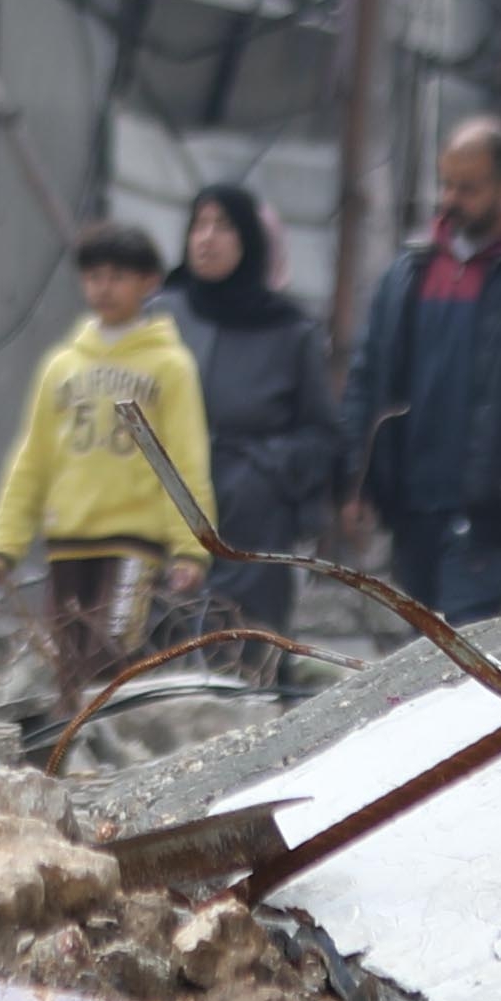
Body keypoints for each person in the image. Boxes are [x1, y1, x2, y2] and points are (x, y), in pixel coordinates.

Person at [344, 117, 501, 632]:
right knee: (411, 656)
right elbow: (368, 378)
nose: (452, 198)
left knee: (467, 655)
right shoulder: (408, 274)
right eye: (447, 183)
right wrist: (356, 482)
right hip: (411, 506)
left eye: (468, 187)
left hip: (488, 514)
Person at [0, 220, 216, 725]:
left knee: (111, 657)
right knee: (67, 661)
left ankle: (108, 751)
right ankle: (72, 760)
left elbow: (186, 458)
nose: (104, 288)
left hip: (134, 542)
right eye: (94, 277)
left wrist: (192, 543)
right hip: (68, 540)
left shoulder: (169, 365)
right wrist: (5, 543)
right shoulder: (62, 365)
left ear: (149, 282)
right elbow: (32, 458)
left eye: (118, 277)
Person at [167, 181, 343, 692]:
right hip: (167, 512)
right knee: (161, 657)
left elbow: (322, 436)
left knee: (243, 667)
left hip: (252, 525)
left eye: (223, 227)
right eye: (199, 225)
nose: (207, 238)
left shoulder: (290, 331)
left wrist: (264, 474)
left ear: (249, 241)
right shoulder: (162, 316)